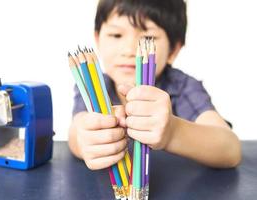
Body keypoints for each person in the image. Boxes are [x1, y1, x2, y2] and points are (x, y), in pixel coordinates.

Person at [68, 0, 241, 170]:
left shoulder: (182, 87)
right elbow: (76, 130)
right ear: (97, 40)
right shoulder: (94, 85)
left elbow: (230, 149)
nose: (129, 50)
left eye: (147, 38)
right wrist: (84, 141)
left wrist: (173, 132)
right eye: (116, 35)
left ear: (173, 50)